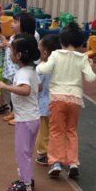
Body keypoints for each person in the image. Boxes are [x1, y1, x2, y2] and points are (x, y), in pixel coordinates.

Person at [36, 22, 96, 179]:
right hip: (75, 99)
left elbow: (44, 69)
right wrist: (90, 66)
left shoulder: (56, 55)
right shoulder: (83, 58)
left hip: (57, 98)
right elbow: (91, 78)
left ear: (62, 41)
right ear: (80, 43)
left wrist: (38, 67)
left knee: (56, 131)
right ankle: (73, 162)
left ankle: (56, 162)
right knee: (71, 131)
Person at [0, 34, 41, 191]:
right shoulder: (32, 70)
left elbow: (26, 89)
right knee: (27, 151)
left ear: (18, 55)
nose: (10, 53)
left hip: (25, 119)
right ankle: (27, 178)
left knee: (21, 152)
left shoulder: (23, 73)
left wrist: (6, 87)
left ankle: (25, 183)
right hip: (33, 117)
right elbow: (38, 87)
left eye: (12, 50)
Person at [34, 33, 59, 166]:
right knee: (57, 130)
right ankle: (58, 154)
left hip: (45, 104)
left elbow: (38, 87)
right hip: (59, 102)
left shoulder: (41, 67)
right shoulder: (60, 66)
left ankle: (44, 154)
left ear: (44, 53)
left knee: (44, 131)